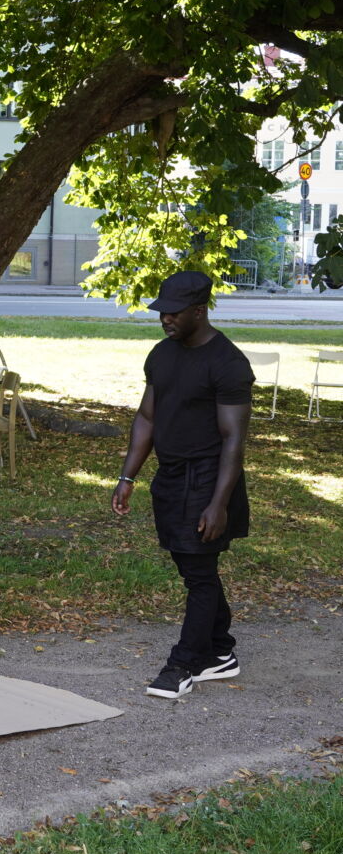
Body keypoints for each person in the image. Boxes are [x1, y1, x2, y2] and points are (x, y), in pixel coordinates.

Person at [111, 271, 253, 700]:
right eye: (161, 311)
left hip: (209, 477)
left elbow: (234, 439)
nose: (165, 319)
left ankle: (184, 663)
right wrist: (127, 476)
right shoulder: (162, 354)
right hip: (170, 476)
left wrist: (219, 503)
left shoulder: (228, 363)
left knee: (198, 572)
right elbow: (147, 418)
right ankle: (221, 649)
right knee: (192, 564)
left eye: (174, 312)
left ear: (199, 310)